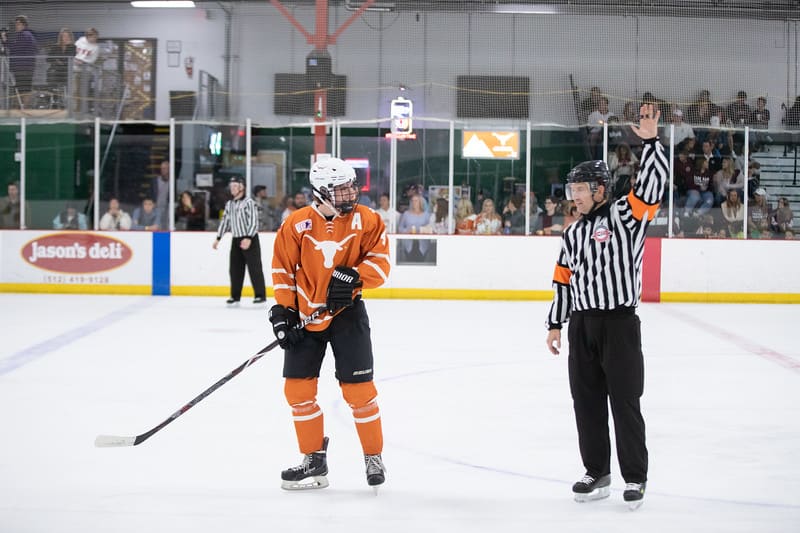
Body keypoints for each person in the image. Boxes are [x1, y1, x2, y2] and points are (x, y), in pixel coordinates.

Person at [545, 104, 667, 510]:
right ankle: (596, 471)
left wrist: (650, 141)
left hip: (619, 324)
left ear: (599, 189)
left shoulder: (625, 216)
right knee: (587, 401)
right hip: (582, 324)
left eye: (580, 189)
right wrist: (556, 323)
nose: (574, 196)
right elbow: (563, 278)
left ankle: (636, 477)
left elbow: (651, 188)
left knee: (625, 401)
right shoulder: (574, 231)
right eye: (572, 189)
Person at [269, 157, 390, 491]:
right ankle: (313, 461)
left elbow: (380, 266)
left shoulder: (367, 220)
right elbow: (282, 270)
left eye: (352, 186)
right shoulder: (296, 224)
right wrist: (284, 312)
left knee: (359, 391)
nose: (351, 193)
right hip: (306, 317)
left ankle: (372, 456)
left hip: (347, 315)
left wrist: (354, 277)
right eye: (341, 189)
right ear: (321, 193)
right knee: (297, 390)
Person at [212, 175, 266, 305]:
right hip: (236, 239)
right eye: (231, 186)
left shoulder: (249, 202)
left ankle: (260, 295)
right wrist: (218, 237)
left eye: (235, 186)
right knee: (235, 268)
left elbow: (254, 221)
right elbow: (225, 222)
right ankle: (235, 296)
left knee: (254, 268)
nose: (232, 189)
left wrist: (248, 237)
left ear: (242, 187)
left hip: (250, 238)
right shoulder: (229, 204)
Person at [8, 15, 38, 108]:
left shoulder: (25, 35)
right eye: (16, 24)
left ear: (23, 24)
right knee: (23, 89)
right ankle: (23, 108)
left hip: (23, 67)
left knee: (24, 89)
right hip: (25, 67)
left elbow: (15, 48)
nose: (16, 26)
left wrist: (5, 42)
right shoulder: (26, 35)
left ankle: (24, 108)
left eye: (18, 24)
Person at [73, 28, 100, 116]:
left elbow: (92, 60)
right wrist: (75, 60)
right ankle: (76, 109)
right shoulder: (81, 40)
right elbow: (73, 50)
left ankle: (82, 111)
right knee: (75, 90)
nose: (95, 39)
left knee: (83, 91)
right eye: (93, 37)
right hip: (75, 69)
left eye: (96, 37)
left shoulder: (96, 47)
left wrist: (82, 62)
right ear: (88, 36)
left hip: (86, 71)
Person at [46, 28, 75, 97]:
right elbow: (48, 59)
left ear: (70, 37)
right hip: (55, 71)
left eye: (67, 36)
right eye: (64, 36)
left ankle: (63, 99)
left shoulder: (73, 47)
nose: (66, 38)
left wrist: (69, 46)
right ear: (61, 37)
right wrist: (56, 60)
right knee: (51, 72)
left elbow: (70, 58)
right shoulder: (55, 47)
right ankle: (53, 95)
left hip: (66, 72)